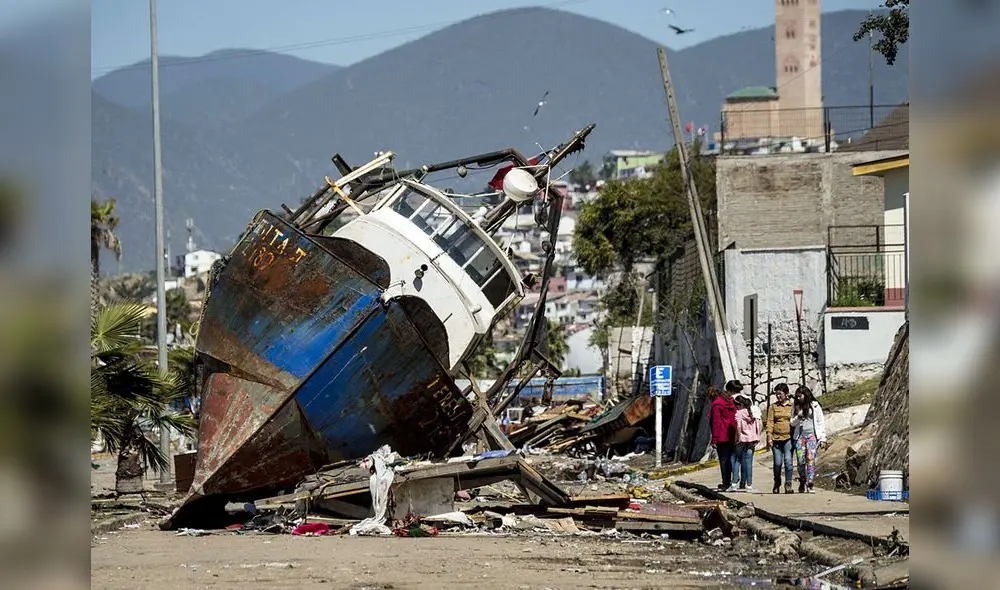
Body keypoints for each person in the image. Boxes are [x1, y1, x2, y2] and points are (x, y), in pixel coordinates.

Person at [791, 385, 827, 493]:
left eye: (800, 396)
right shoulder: (796, 406)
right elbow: (792, 423)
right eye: (796, 396)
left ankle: (810, 483)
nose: (798, 398)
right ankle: (802, 479)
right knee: (801, 460)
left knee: (810, 459)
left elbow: (821, 422)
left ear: (805, 395)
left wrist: (823, 438)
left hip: (812, 436)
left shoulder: (815, 406)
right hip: (800, 437)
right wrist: (799, 417)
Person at [710, 380, 740, 491]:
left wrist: (714, 439)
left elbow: (716, 422)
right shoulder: (733, 402)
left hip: (722, 436)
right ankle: (735, 480)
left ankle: (726, 482)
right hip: (733, 434)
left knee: (723, 460)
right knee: (733, 459)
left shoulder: (717, 404)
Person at [765, 383, 795, 494]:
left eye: (780, 394)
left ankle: (788, 484)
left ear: (786, 394)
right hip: (776, 439)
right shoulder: (773, 407)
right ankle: (777, 482)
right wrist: (769, 437)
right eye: (776, 394)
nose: (778, 396)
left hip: (788, 438)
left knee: (788, 461)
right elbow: (770, 422)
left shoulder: (792, 406)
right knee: (777, 463)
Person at [734, 393, 761, 492]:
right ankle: (749, 484)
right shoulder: (752, 412)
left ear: (740, 405)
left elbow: (738, 427)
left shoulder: (739, 413)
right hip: (752, 439)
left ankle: (734, 483)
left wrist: (737, 438)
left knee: (737, 460)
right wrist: (757, 436)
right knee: (749, 462)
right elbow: (759, 424)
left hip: (742, 439)